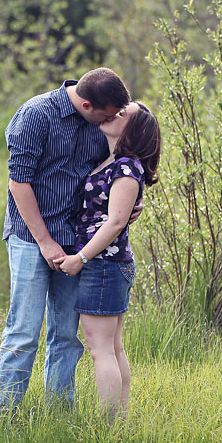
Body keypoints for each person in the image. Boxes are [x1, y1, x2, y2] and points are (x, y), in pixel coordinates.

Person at [0, 67, 132, 409]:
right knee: (23, 332)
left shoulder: (101, 123)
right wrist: (45, 242)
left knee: (67, 337)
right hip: (30, 237)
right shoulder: (36, 114)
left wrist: (129, 203)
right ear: (86, 104)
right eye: (107, 115)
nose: (110, 121)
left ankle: (58, 417)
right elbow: (18, 183)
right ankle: (1, 416)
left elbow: (116, 169)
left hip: (78, 242)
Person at [57, 101, 161, 419]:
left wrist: (80, 258)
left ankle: (109, 427)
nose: (113, 114)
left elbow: (115, 223)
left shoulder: (127, 168)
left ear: (133, 129)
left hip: (103, 266)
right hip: (107, 265)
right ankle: (118, 424)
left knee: (101, 349)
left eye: (122, 114)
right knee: (112, 348)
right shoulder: (112, 162)